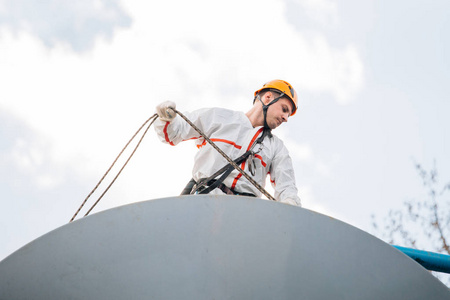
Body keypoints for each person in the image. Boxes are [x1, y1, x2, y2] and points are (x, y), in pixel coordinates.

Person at [154, 79, 301, 206]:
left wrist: (290, 204)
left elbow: (287, 187)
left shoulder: (277, 148)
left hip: (244, 216)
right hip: (201, 202)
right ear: (268, 98)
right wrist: (167, 118)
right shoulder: (219, 118)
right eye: (284, 109)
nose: (285, 118)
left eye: (288, 114)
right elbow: (173, 133)